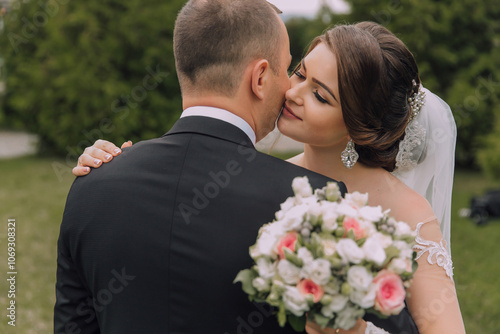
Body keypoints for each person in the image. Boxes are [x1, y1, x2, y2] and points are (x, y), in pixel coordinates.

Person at [76, 20, 466, 333]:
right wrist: (112, 166)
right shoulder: (258, 177)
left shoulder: (406, 212)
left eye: (321, 95)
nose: (294, 92)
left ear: (358, 127)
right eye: (300, 73)